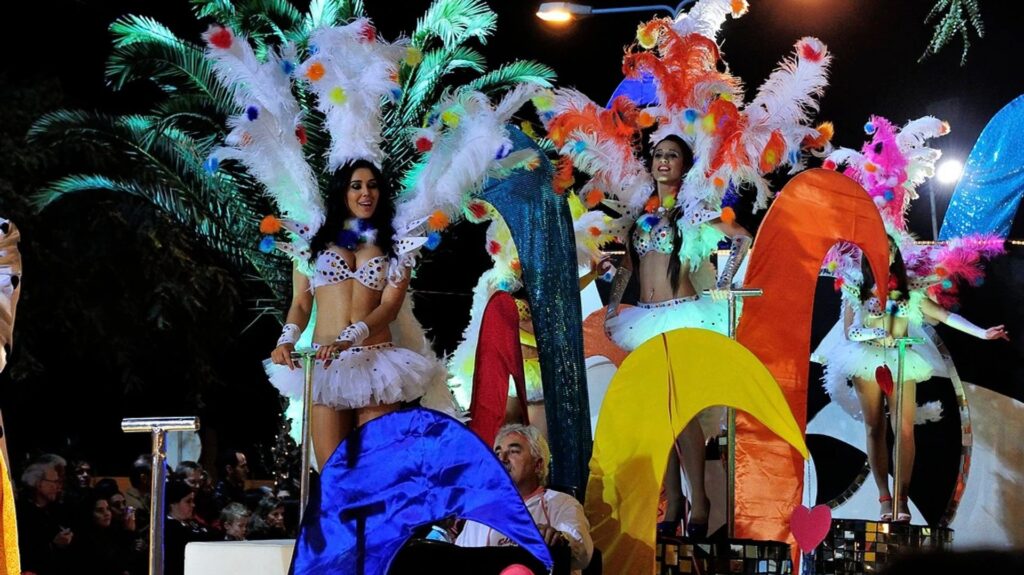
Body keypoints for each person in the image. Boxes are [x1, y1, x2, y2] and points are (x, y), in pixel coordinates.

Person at [604, 135, 752, 538]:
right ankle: (674, 502)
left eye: (672, 155)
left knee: (680, 412)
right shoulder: (642, 214)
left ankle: (699, 502)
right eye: (658, 155)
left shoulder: (694, 210)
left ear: (684, 166)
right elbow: (627, 268)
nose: (663, 161)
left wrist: (723, 281)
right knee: (659, 413)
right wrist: (614, 306)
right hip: (644, 319)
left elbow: (741, 236)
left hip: (682, 317)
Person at [266, 160, 444, 469]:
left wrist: (351, 337)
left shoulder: (396, 244)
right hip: (326, 363)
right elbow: (301, 303)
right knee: (333, 473)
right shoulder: (313, 240)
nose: (366, 193)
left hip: (376, 362)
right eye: (357, 186)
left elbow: (388, 308)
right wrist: (287, 339)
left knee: (378, 472)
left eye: (373, 186)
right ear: (342, 192)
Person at [815, 238, 1008, 522]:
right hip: (865, 359)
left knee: (905, 428)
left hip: (901, 359)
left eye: (889, 253)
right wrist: (878, 334)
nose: (885, 258)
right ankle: (884, 498)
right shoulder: (855, 288)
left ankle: (901, 498)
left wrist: (982, 333)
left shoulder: (909, 291)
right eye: (879, 253)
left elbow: (943, 315)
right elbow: (850, 332)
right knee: (875, 426)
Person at [455, 424, 593, 575]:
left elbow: (582, 553)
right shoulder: (480, 514)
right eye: (498, 452)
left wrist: (559, 540)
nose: (502, 458)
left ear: (538, 465)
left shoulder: (561, 503)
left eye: (513, 451)